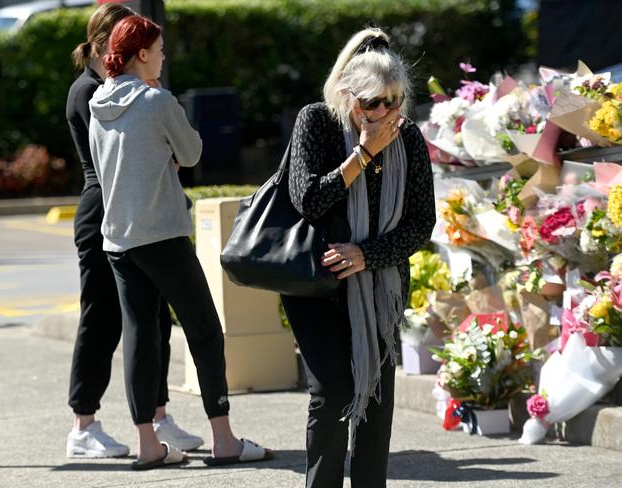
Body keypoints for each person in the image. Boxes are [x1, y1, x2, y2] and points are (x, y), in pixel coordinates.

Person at [88, 14, 273, 470]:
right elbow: (192, 153)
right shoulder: (157, 101)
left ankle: (148, 446)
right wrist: (166, 156)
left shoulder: (97, 104)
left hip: (118, 241)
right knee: (205, 331)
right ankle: (224, 440)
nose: (164, 58)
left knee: (139, 338)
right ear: (143, 53)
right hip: (164, 235)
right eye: (161, 50)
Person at [281, 28, 436, 488]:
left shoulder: (408, 138)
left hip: (379, 287)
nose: (384, 112)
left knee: (377, 400)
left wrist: (367, 256)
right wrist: (364, 152)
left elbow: (419, 223)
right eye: (372, 102)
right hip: (317, 285)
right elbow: (307, 199)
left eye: (394, 100)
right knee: (332, 394)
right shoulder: (317, 122)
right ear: (347, 96)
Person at [65, 3, 202, 458]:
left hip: (132, 215)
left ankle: (159, 415)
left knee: (155, 320)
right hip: (106, 214)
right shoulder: (89, 91)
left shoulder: (119, 88)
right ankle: (83, 423)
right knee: (101, 318)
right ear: (110, 39)